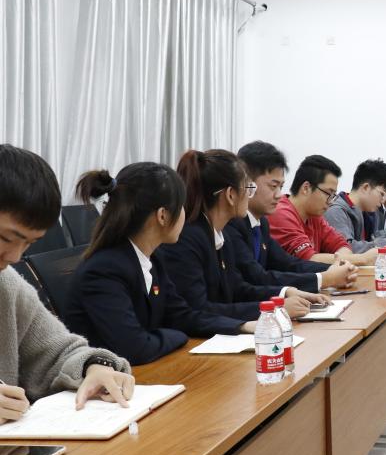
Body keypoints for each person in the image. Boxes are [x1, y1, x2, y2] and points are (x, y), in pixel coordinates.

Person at [66, 164, 254, 365]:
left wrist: (241, 326)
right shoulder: (104, 270)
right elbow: (135, 348)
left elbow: (181, 315)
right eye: (181, 207)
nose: (184, 214)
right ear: (163, 215)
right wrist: (179, 335)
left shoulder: (151, 258)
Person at [0, 144, 134, 417]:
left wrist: (93, 367)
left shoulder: (7, 285)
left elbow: (59, 350)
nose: (15, 256)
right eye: (6, 238)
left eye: (29, 243)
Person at [160, 149, 324, 322]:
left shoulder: (220, 234)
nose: (249, 195)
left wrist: (285, 293)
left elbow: (238, 289)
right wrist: (274, 309)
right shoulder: (188, 238)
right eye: (248, 188)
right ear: (231, 195)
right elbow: (199, 309)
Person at [229, 141, 357, 292]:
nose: (278, 195)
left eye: (281, 187)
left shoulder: (261, 223)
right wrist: (325, 278)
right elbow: (257, 277)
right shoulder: (232, 224)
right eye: (273, 186)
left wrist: (336, 269)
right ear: (246, 183)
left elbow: (289, 263)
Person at [267, 155, 376, 266]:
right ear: (306, 188)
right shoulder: (280, 213)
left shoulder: (315, 216)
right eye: (329, 194)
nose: (331, 202)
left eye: (333, 196)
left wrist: (346, 260)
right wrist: (362, 259)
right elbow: (307, 260)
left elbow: (340, 244)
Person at [324, 159, 386, 253]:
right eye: (381, 194)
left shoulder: (363, 211)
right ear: (366, 188)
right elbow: (346, 248)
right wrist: (385, 244)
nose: (383, 201)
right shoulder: (335, 211)